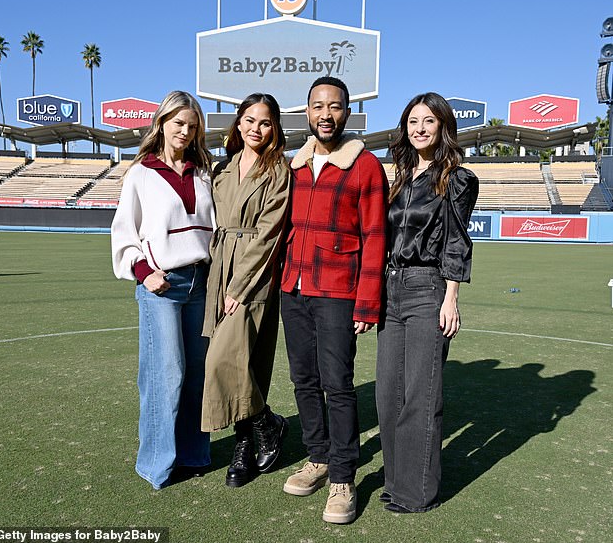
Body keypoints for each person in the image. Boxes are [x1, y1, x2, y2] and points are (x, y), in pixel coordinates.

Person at [280, 76, 388, 524]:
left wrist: (366, 303)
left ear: (348, 112)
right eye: (318, 106)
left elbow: (375, 237)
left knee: (337, 384)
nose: (326, 114)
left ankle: (343, 476)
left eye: (336, 106)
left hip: (339, 293)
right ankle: (318, 457)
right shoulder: (294, 165)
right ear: (307, 112)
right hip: (293, 288)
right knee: (303, 380)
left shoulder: (365, 167)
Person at [376, 92, 479, 513]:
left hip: (428, 288)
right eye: (413, 121)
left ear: (443, 128)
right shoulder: (400, 177)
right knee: (387, 394)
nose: (419, 128)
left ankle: (416, 492)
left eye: (429, 121)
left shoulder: (456, 178)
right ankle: (396, 480)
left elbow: (457, 240)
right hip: (390, 290)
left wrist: (450, 297)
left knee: (421, 393)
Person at [111, 90, 215, 490]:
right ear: (162, 123)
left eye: (192, 126)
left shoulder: (203, 171)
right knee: (164, 374)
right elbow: (124, 232)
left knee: (195, 376)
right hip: (162, 285)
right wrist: (144, 271)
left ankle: (192, 454)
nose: (185, 131)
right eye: (179, 123)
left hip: (201, 282)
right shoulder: (141, 172)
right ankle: (156, 463)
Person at [202, 93, 291, 488]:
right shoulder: (222, 170)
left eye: (266, 122)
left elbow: (269, 233)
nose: (257, 128)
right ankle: (249, 437)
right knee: (242, 362)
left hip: (253, 275)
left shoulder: (279, 171)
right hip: (218, 268)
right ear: (238, 123)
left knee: (226, 360)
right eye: (250, 120)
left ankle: (263, 422)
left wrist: (238, 285)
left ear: (274, 129)